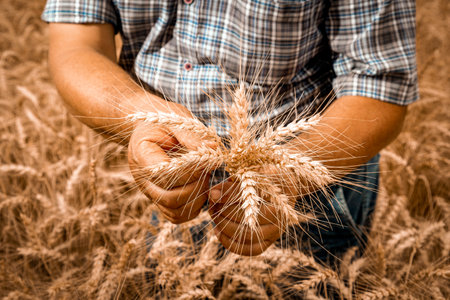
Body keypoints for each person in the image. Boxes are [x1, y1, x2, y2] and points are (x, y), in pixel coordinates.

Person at [42, 0, 418, 261]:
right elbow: (75, 46)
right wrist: (143, 116)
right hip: (165, 168)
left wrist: (281, 179)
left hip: (311, 184)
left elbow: (380, 86)